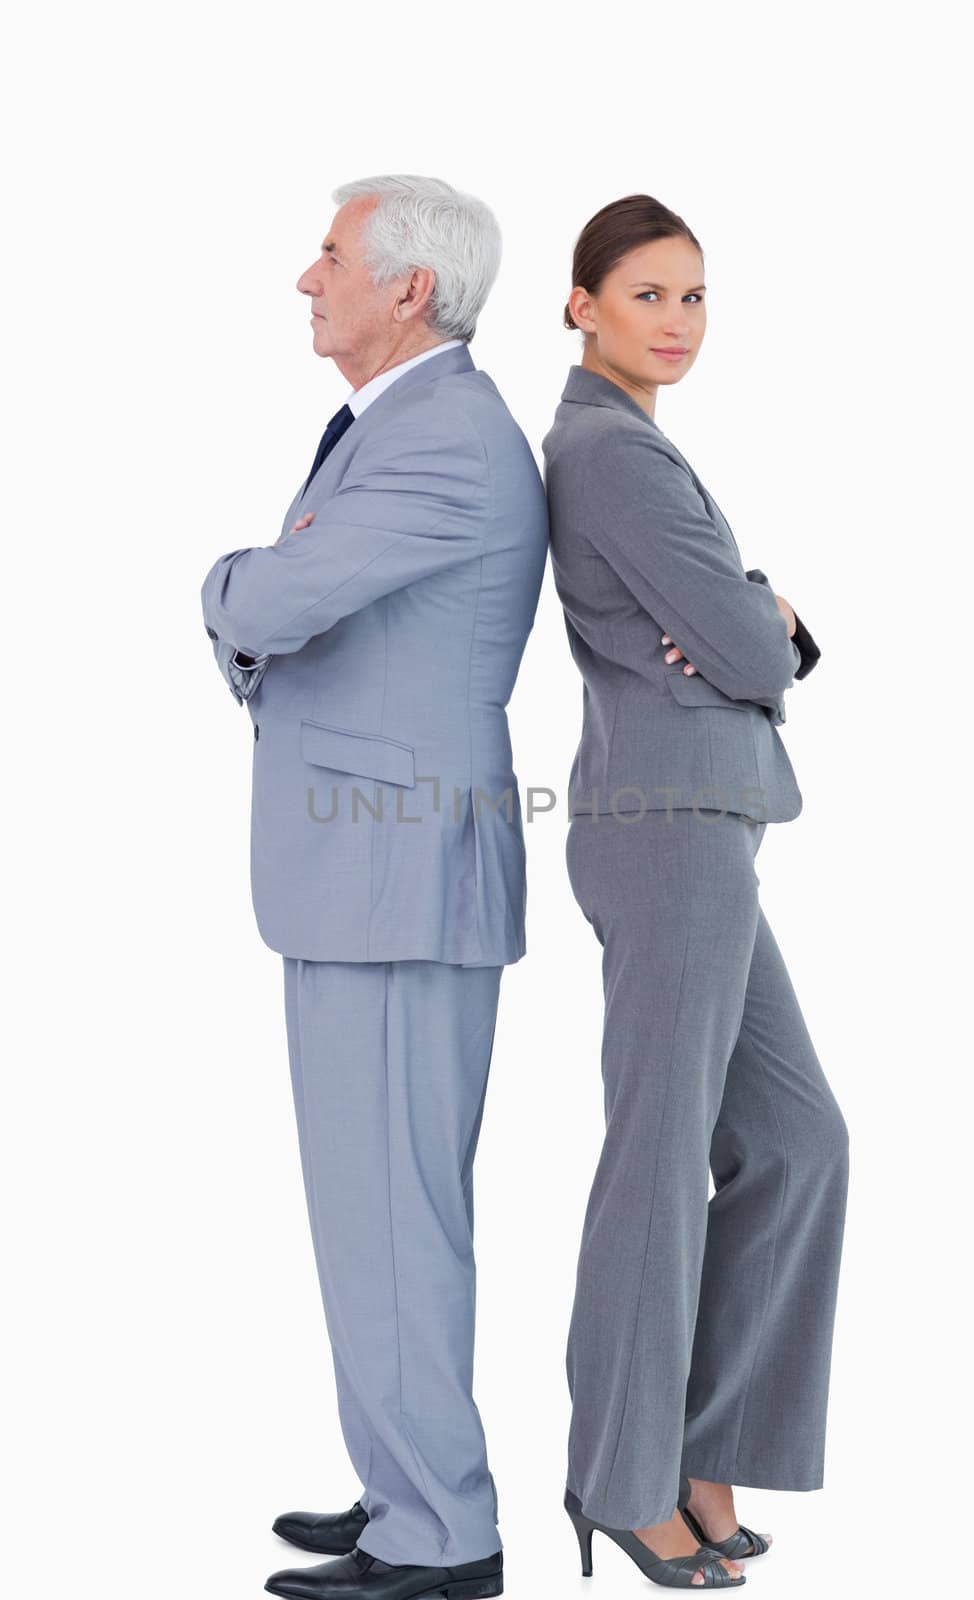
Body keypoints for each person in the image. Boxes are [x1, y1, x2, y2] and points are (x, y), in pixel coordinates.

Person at [201, 173, 548, 1600]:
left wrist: (229, 582)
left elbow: (279, 600)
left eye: (332, 256)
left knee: (396, 1215)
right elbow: (309, 595)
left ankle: (442, 1535)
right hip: (372, 872)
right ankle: (408, 1485)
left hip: (399, 878)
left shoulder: (448, 438)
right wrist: (276, 584)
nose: (307, 279)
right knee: (374, 1207)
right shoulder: (401, 429)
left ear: (411, 287)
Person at [541, 193, 850, 1591]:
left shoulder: (643, 449)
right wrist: (757, 609)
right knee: (659, 1163)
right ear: (580, 304)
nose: (675, 324)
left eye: (694, 297)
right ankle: (619, 1477)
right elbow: (753, 649)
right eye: (647, 295)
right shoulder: (609, 453)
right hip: (668, 829)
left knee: (798, 1142)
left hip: (703, 825)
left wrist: (743, 610)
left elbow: (732, 634)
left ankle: (704, 1448)